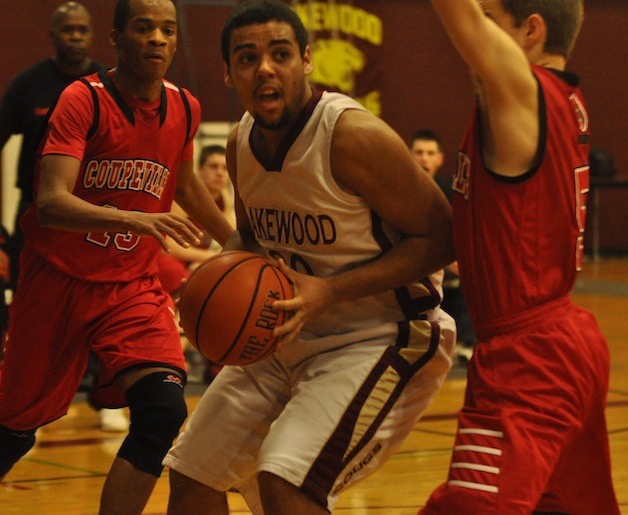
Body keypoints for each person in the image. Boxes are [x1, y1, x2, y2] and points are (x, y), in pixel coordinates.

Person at [164, 1, 456, 513]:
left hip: (381, 335)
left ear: (306, 61)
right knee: (192, 474)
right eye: (248, 58)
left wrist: (331, 290)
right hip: (282, 334)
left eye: (280, 54)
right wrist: (205, 290)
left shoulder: (350, 135)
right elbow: (252, 243)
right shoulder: (240, 145)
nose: (265, 69)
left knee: (286, 482)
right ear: (228, 74)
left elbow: (442, 238)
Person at [0, 0, 233, 513]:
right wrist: (136, 219)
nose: (157, 39)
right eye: (144, 27)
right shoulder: (82, 100)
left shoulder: (185, 106)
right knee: (15, 427)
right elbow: (53, 202)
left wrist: (238, 242)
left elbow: (186, 181)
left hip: (130, 283)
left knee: (163, 410)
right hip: (56, 278)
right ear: (116, 37)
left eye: (167, 30)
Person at [420, 1, 620, 513]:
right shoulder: (559, 97)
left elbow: (456, 17)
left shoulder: (524, 91)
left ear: (530, 31)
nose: (477, 37)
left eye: (490, 19)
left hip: (532, 358)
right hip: (561, 339)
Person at [0, 1, 131, 434]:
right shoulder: (28, 86)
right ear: (53, 35)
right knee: (32, 317)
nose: (75, 37)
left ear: (93, 35)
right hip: (39, 215)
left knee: (104, 308)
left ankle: (106, 397)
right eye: (67, 30)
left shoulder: (109, 85)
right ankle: (24, 411)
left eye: (82, 30)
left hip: (95, 215)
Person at [158, 144, 235, 383]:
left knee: (232, 282)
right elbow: (167, 245)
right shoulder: (182, 198)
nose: (220, 173)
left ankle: (218, 359)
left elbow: (230, 243)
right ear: (199, 170)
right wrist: (205, 261)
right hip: (168, 261)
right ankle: (171, 354)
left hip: (197, 264)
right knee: (179, 276)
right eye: (213, 166)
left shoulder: (226, 200)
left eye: (224, 167)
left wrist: (206, 263)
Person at [410, 129, 477, 362]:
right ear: (409, 156)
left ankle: (466, 344)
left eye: (430, 153)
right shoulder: (397, 191)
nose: (424, 158)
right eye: (419, 152)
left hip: (447, 273)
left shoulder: (451, 193)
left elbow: (462, 234)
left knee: (473, 279)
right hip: (414, 270)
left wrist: (455, 262)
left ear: (440, 159)